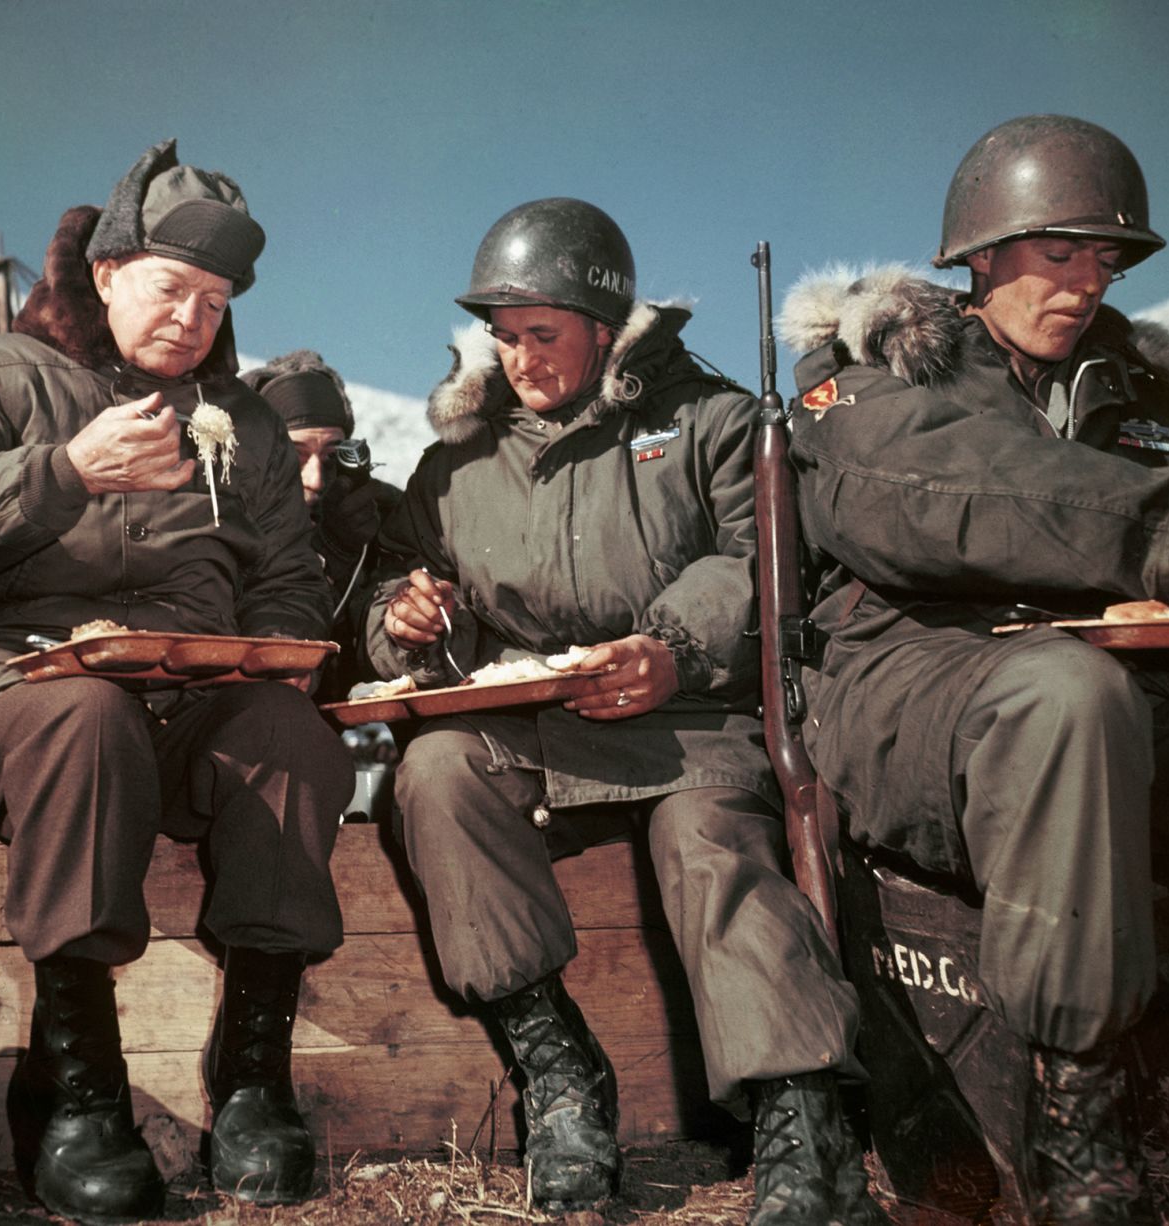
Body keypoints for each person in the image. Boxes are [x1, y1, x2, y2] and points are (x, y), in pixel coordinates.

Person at [0, 140, 353, 1220]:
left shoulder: (248, 428)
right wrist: (64, 470)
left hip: (187, 704)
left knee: (291, 736)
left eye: (215, 301)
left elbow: (287, 580)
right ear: (105, 272)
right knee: (87, 721)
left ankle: (253, 1080)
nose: (192, 317)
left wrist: (269, 651)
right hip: (14, 696)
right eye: (172, 287)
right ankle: (81, 1093)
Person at [367, 198, 884, 1221]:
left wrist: (673, 647)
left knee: (709, 840)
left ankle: (796, 1115)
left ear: (605, 327)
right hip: (529, 719)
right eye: (505, 338)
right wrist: (406, 617)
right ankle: (557, 1072)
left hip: (682, 714)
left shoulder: (714, 422)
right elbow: (401, 586)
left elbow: (760, 563)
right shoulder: (453, 465)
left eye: (542, 335)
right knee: (431, 773)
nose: (520, 359)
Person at [777, 114, 1169, 1224]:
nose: (1084, 282)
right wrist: (1166, 530)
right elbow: (922, 500)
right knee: (1066, 695)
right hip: (915, 680)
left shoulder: (1151, 404)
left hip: (1125, 682)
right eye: (1056, 253)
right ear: (982, 255)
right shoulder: (874, 371)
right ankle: (1075, 1120)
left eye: (1103, 259)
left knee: (1098, 692)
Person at [241, 350, 402, 699]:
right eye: (293, 456)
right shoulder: (225, 516)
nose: (314, 478)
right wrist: (328, 553)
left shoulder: (382, 517)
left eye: (331, 457)